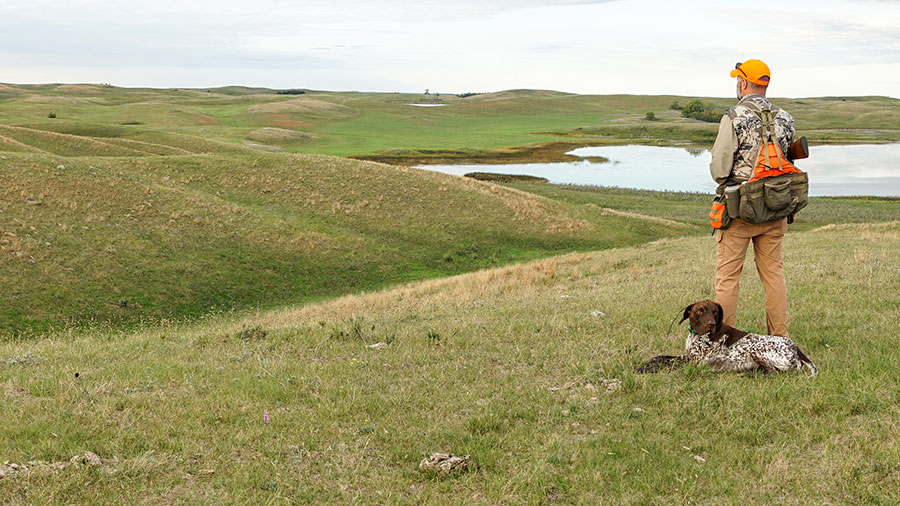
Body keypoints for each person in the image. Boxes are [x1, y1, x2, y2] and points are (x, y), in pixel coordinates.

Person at [709, 59, 795, 338]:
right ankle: (779, 339)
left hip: (740, 211)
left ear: (743, 83)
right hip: (776, 209)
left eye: (738, 79)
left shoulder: (734, 117)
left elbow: (721, 168)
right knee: (773, 276)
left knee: (728, 279)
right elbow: (789, 162)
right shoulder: (785, 117)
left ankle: (723, 340)